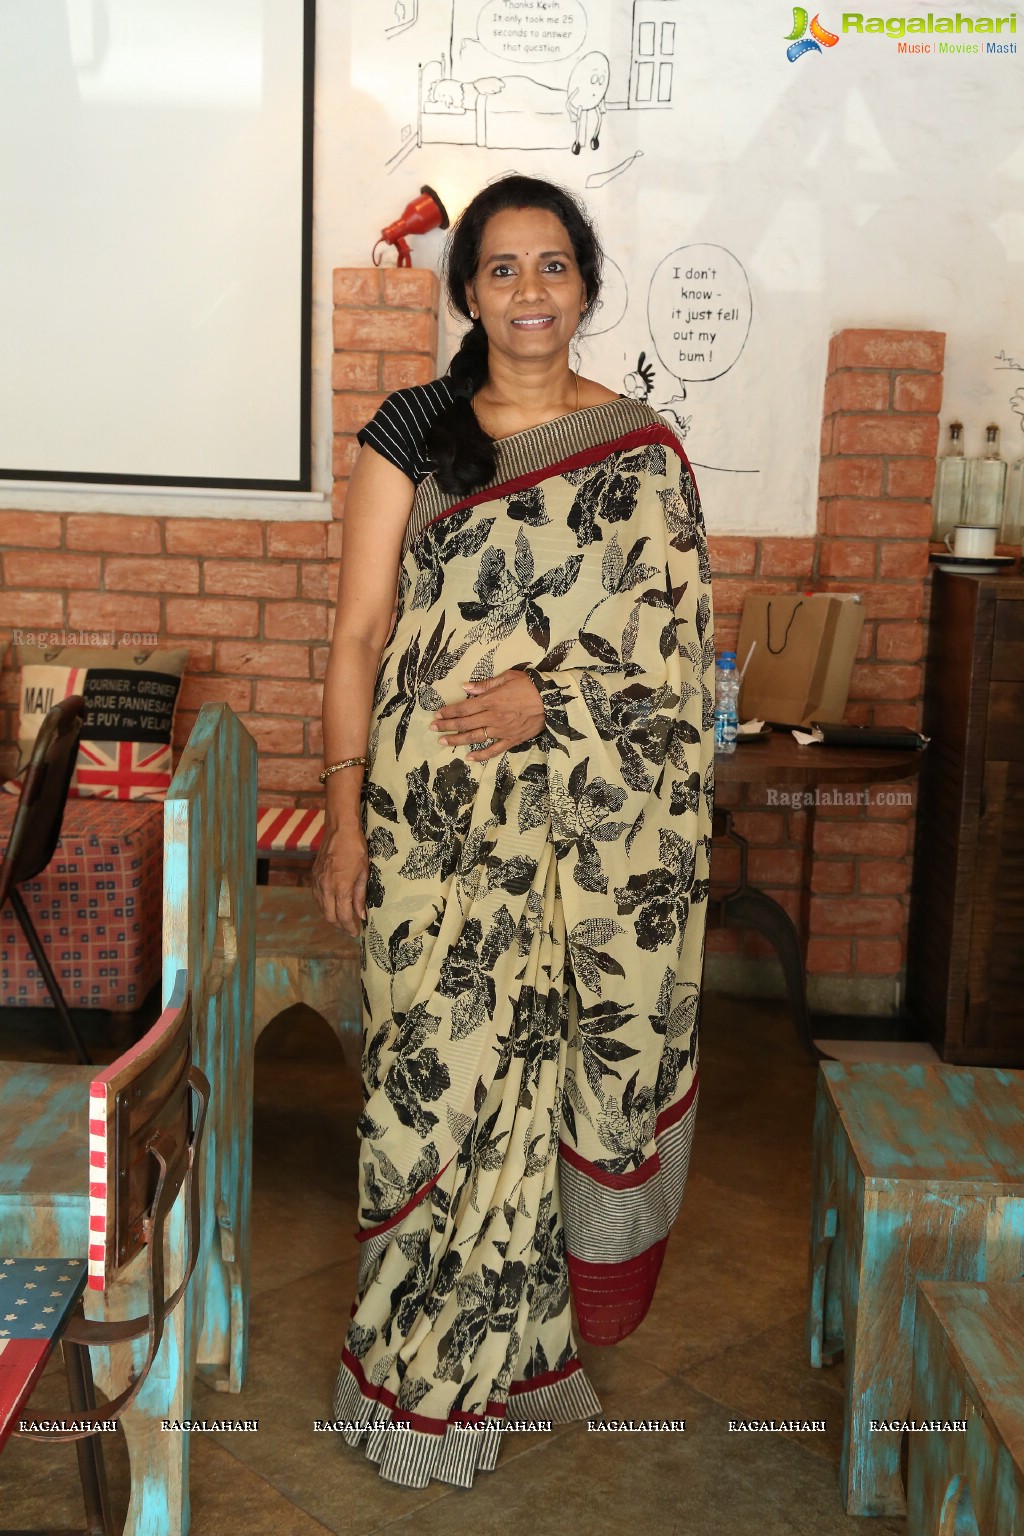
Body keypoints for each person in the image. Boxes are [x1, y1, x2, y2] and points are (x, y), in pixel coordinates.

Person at [313, 173, 714, 1490]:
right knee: (433, 1088)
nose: (530, 291)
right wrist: (340, 819)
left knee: (537, 1080)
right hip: (431, 825)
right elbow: (362, 634)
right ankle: (417, 1368)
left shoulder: (639, 451)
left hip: (576, 844)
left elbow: (671, 662)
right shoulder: (415, 436)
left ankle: (507, 1360)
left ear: (586, 285)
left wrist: (556, 696)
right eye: (501, 268)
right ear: (467, 290)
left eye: (553, 266)